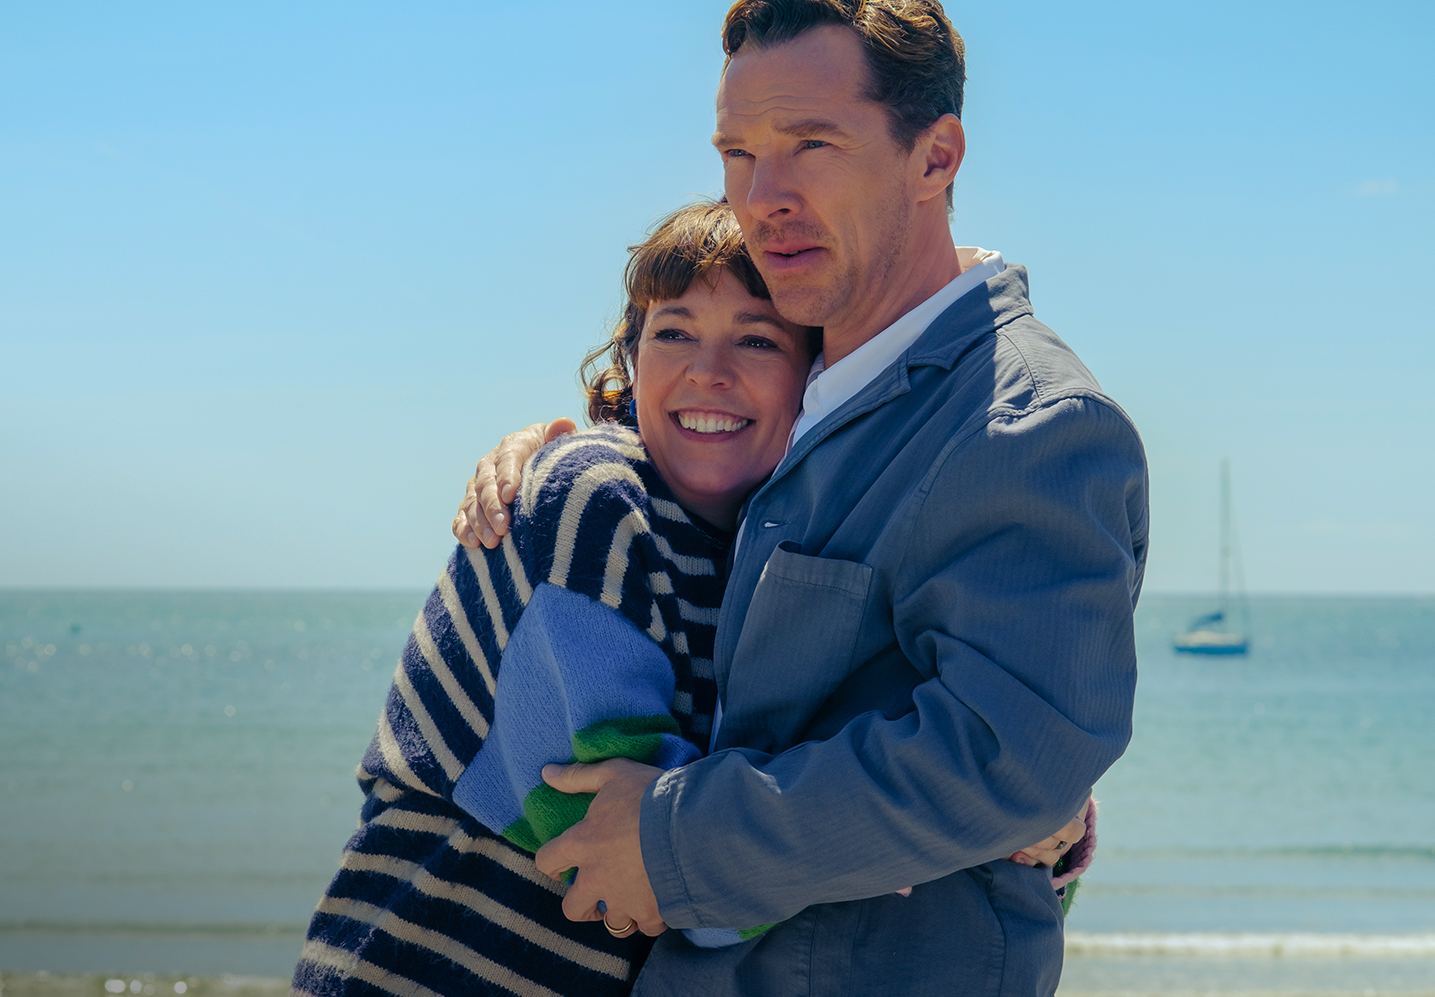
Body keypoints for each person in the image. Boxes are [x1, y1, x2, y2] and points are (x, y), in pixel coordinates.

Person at [452, 0, 1147, 996]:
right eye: (737, 154)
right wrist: (573, 450)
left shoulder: (1028, 424)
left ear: (935, 157)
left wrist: (673, 844)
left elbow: (1009, 755)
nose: (763, 197)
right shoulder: (811, 377)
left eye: (811, 144)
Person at [293, 202, 1092, 997]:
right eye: (672, 332)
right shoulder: (593, 499)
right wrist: (934, 829)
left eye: (757, 339)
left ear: (819, 381)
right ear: (631, 358)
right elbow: (619, 850)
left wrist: (1026, 801)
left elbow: (865, 729)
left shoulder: (777, 551)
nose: (708, 371)